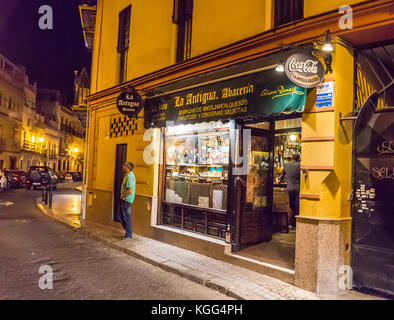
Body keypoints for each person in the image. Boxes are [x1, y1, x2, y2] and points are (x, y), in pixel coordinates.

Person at [280, 154, 300, 228]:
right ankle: (295, 224)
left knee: (291, 205)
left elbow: (282, 176)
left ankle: (290, 222)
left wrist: (280, 181)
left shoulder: (286, 164)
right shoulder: (299, 165)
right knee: (297, 206)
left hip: (289, 188)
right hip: (298, 188)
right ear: (298, 158)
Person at [117, 162, 136, 240]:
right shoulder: (127, 176)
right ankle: (128, 232)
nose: (122, 166)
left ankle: (128, 234)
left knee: (126, 217)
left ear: (127, 167)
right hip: (125, 199)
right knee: (120, 216)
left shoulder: (130, 177)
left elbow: (130, 190)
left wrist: (123, 197)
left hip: (127, 200)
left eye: (124, 165)